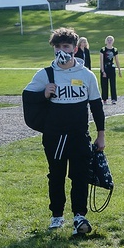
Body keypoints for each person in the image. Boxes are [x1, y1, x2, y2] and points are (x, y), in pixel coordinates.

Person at [23, 27, 105, 236]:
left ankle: (79, 216)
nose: (61, 51)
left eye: (66, 46)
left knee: (80, 176)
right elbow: (26, 97)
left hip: (79, 135)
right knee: (56, 175)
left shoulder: (86, 75)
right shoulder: (46, 74)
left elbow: (96, 106)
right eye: (57, 47)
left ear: (75, 49)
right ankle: (57, 215)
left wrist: (101, 135)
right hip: (55, 136)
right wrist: (43, 93)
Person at [99, 36, 122, 104]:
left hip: (111, 68)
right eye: (108, 40)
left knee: (113, 84)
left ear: (113, 41)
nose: (109, 41)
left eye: (111, 40)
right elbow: (101, 61)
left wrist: (119, 70)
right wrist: (103, 71)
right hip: (105, 68)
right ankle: (104, 98)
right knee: (104, 84)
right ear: (106, 41)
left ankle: (113, 99)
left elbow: (117, 60)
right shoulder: (103, 49)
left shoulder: (114, 50)